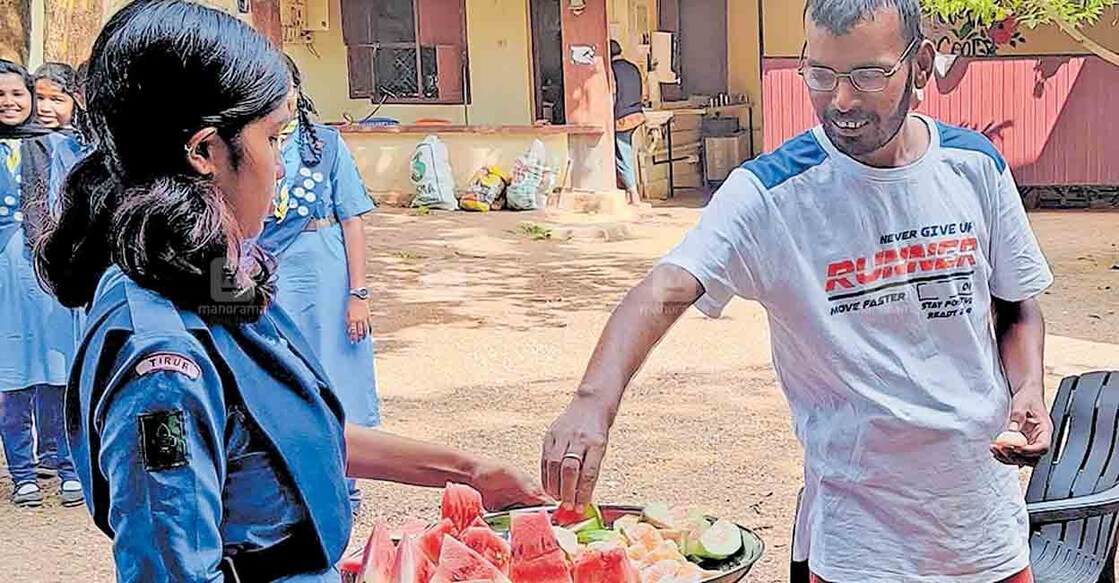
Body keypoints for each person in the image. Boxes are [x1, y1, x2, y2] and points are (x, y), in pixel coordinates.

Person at [541, 1, 1051, 582]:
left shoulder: (974, 166)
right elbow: (663, 289)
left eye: (868, 75)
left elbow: (1015, 304)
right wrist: (591, 402)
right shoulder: (771, 194)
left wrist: (1027, 388)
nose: (842, 101)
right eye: (821, 75)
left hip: (982, 525)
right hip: (862, 541)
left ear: (921, 64)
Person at [35, 2, 547, 580]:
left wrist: (469, 471)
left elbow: (291, 429)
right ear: (204, 151)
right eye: (273, 138)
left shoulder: (202, 276)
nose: (280, 167)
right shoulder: (161, 373)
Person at [259, 55, 380, 516]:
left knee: (336, 374)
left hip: (326, 272)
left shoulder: (325, 143)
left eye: (282, 85)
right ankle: (290, 479)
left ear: (296, 89)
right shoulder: (240, 144)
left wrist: (358, 294)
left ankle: (345, 481)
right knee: (281, 373)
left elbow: (352, 219)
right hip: (268, 272)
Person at [0, 58, 85, 508]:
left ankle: (68, 464)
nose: (10, 103)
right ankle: (22, 472)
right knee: (9, 371)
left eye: (17, 93)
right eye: (0, 96)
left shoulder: (58, 146)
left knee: (58, 366)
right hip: (2, 278)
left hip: (48, 269)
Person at [609, 40, 647, 207]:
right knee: (627, 151)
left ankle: (633, 194)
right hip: (636, 114)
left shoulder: (611, 71)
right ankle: (632, 189)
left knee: (622, 155)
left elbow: (613, 94)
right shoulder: (633, 67)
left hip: (621, 118)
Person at [34, 62, 84, 132]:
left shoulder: (83, 139)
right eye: (39, 98)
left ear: (77, 100)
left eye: (56, 100)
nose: (45, 108)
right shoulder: (21, 136)